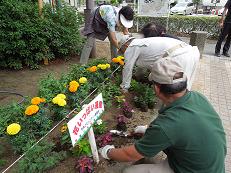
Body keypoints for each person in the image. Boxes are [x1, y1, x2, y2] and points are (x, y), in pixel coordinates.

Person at [99, 58, 227, 173]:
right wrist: (148, 130)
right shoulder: (197, 97)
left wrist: (108, 152)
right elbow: (183, 129)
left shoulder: (167, 126)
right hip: (207, 165)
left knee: (129, 171)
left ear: (157, 88)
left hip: (188, 169)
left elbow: (129, 155)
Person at [118, 35, 200, 91]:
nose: (124, 54)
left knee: (178, 89)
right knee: (186, 85)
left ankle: (177, 113)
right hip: (191, 52)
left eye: (122, 51)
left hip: (181, 57)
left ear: (125, 45)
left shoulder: (132, 46)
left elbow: (127, 68)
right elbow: (146, 65)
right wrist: (139, 77)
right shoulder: (142, 43)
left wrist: (124, 87)